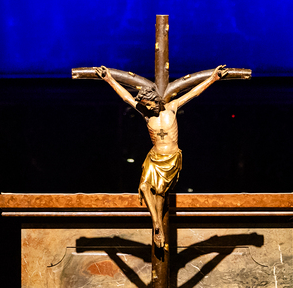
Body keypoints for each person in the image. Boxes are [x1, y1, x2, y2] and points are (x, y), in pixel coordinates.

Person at [95, 64, 228, 248]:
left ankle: (158, 227)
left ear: (156, 100)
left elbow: (193, 93)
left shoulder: (172, 107)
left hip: (171, 158)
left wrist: (213, 78)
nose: (147, 107)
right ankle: (156, 223)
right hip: (154, 157)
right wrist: (109, 79)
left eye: (149, 104)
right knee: (144, 186)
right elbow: (126, 97)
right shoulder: (145, 114)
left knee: (160, 194)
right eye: (145, 105)